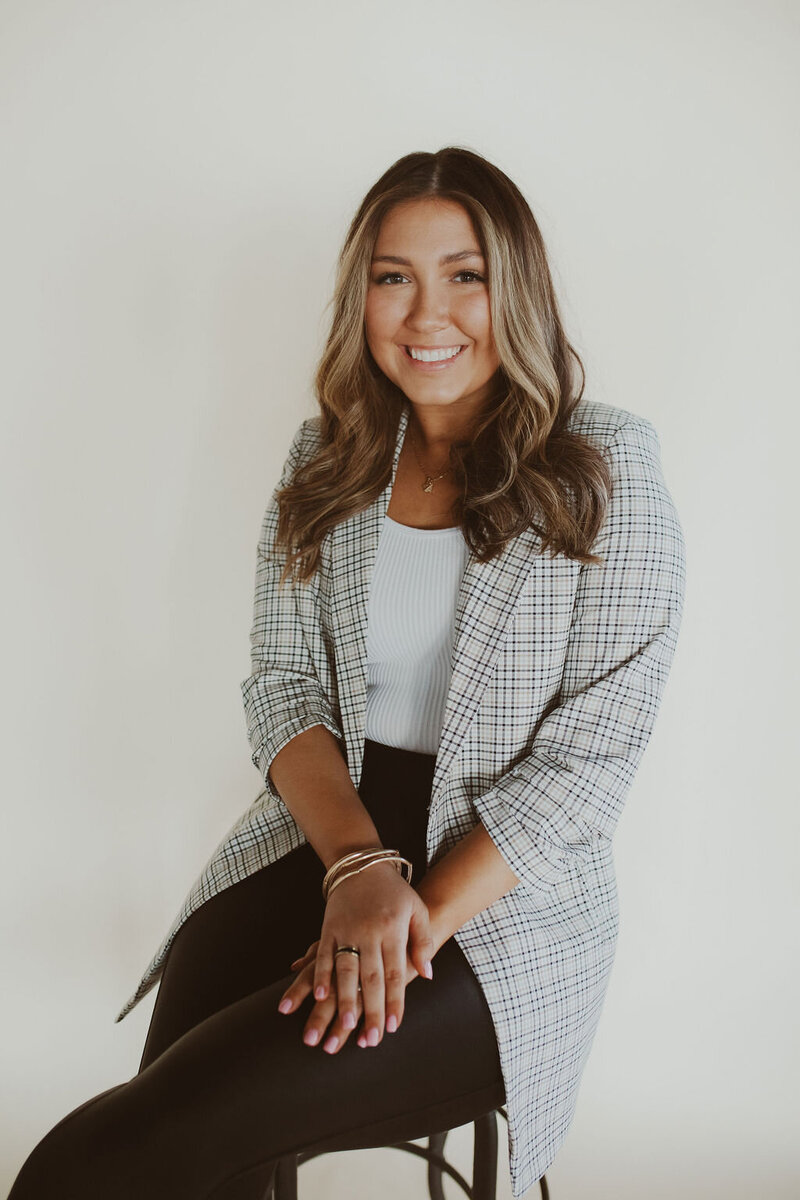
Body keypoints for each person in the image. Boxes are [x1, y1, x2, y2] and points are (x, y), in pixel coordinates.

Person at [8, 146, 686, 1200]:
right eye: (391, 276)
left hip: (500, 901)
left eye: (463, 274)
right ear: (358, 296)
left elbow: (589, 758)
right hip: (327, 837)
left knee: (100, 1161)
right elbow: (280, 688)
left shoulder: (603, 466)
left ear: (516, 287)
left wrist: (408, 919)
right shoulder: (326, 460)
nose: (427, 314)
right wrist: (357, 871)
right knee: (169, 1119)